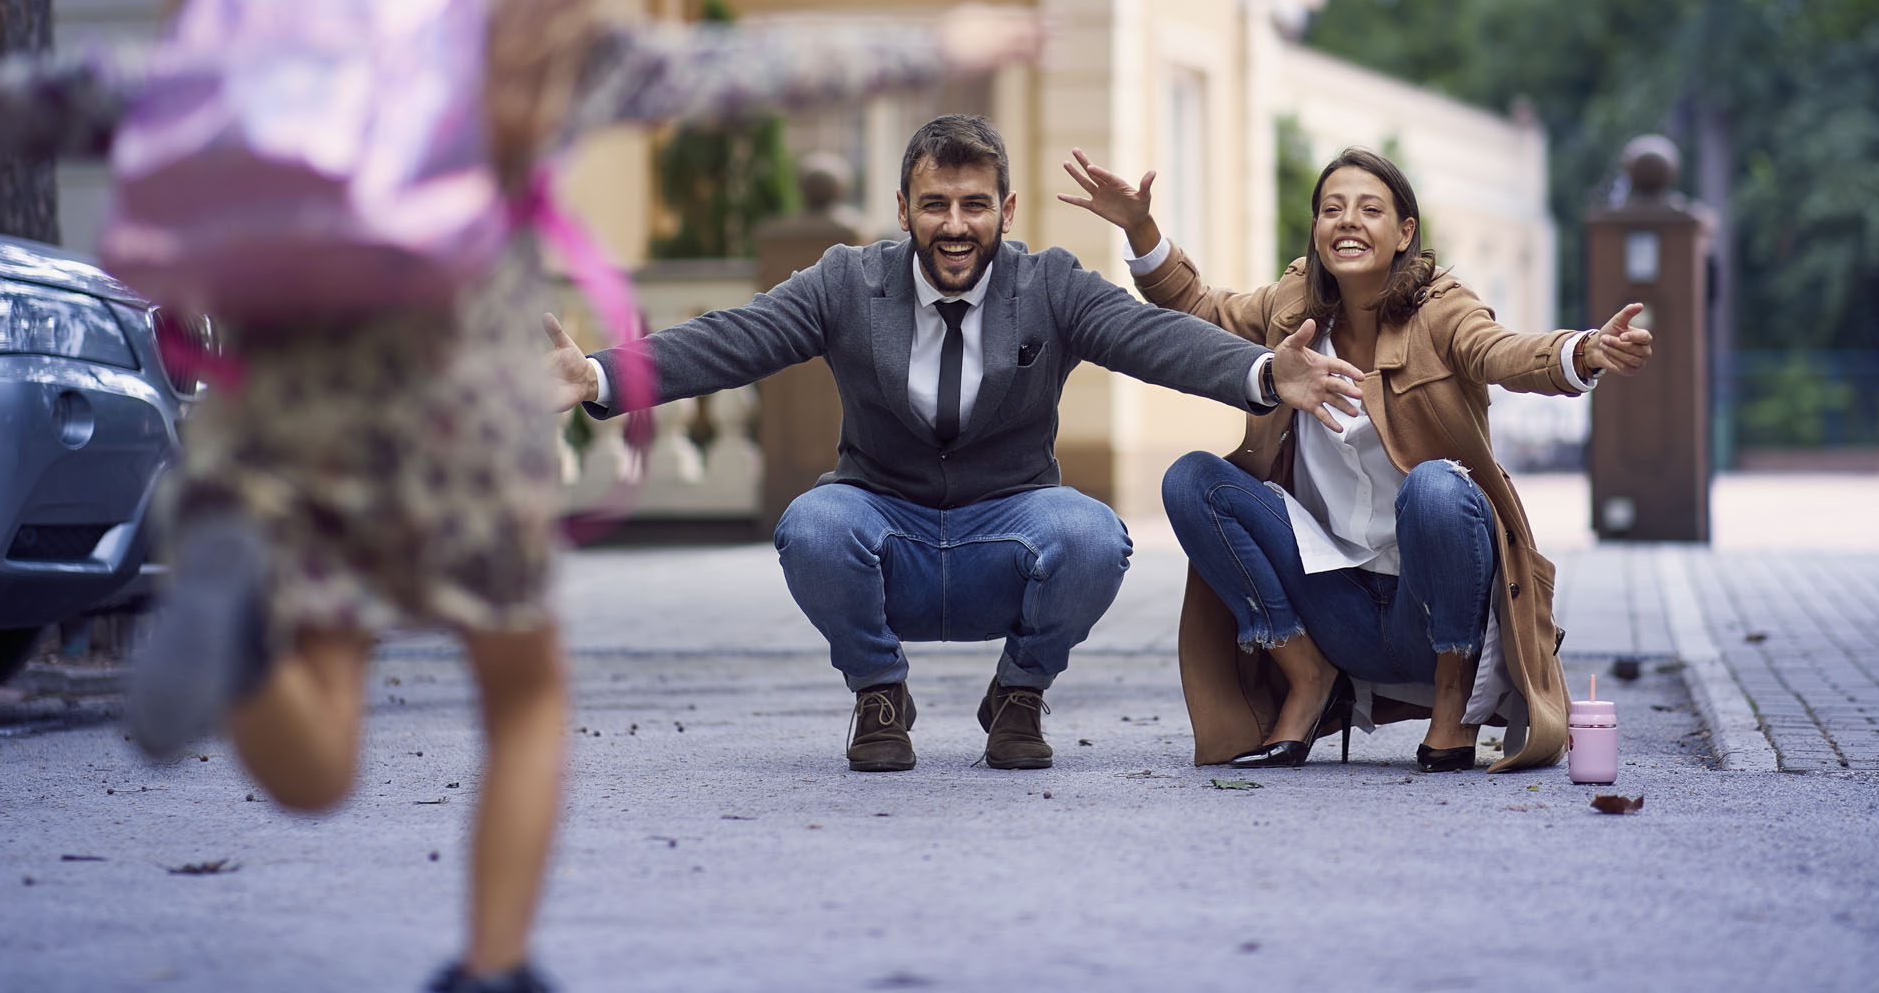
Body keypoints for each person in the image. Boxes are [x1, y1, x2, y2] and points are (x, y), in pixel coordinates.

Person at [0, 0, 1040, 993]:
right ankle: (494, 965)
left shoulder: (273, 41)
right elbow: (744, 65)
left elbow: (89, 91)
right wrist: (941, 39)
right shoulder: (545, 49)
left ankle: (245, 641)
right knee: (522, 691)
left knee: (317, 755)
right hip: (456, 417)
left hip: (283, 421)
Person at [547, 114, 1366, 773]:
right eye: (935, 203)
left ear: (1006, 213)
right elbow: (735, 338)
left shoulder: (1049, 285)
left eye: (975, 204)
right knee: (813, 525)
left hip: (1005, 535)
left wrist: (1264, 372)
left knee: (1091, 535)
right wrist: (598, 376)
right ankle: (879, 695)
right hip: (883, 528)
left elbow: (1152, 338)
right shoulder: (845, 281)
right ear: (903, 210)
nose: (954, 225)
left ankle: (1018, 695)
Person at [1059, 144, 1652, 772]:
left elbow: (1501, 352)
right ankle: (1305, 674)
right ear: (1316, 232)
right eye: (1332, 209)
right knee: (1193, 480)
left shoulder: (1443, 309)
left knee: (1436, 488)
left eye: (1370, 209)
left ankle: (1454, 699)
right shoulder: (1291, 307)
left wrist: (1584, 351)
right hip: (1331, 602)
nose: (1348, 221)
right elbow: (1203, 311)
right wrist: (1140, 229)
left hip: (1430, 605)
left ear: (1404, 233)